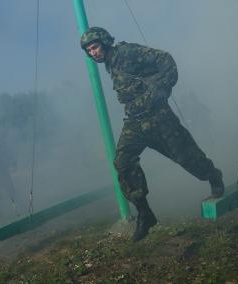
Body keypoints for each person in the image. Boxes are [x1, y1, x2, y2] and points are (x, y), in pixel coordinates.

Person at [80, 27, 225, 242]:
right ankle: (145, 214)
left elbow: (166, 60)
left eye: (96, 47)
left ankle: (213, 175)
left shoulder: (127, 52)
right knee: (122, 163)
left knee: (186, 158)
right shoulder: (110, 64)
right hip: (135, 122)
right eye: (89, 50)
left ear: (105, 42)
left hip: (159, 117)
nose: (94, 53)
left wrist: (157, 91)